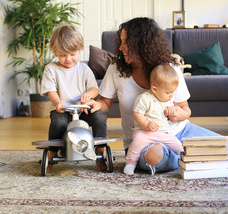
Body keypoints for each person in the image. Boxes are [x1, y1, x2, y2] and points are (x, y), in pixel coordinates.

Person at [85, 17, 220, 175]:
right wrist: (97, 105)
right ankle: (187, 155)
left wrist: (179, 114)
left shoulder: (170, 68)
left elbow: (185, 109)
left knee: (223, 146)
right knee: (154, 157)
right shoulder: (116, 67)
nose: (121, 48)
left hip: (180, 132)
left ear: (142, 44)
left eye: (126, 42)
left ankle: (183, 154)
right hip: (142, 140)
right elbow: (105, 102)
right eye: (120, 41)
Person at [41, 24, 107, 172]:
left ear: (79, 50)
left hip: (83, 110)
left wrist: (89, 94)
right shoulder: (51, 69)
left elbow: (94, 88)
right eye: (63, 55)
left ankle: (100, 151)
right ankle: (52, 153)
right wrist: (58, 103)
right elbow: (51, 90)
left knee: (99, 117)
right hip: (63, 110)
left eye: (72, 54)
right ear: (54, 51)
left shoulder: (83, 68)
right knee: (58, 121)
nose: (68, 59)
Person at [124, 64, 184, 175]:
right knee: (136, 144)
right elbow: (137, 113)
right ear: (154, 89)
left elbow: (170, 111)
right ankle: (130, 164)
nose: (171, 96)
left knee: (178, 146)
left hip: (164, 132)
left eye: (173, 92)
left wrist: (172, 111)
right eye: (168, 92)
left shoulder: (168, 99)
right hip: (145, 132)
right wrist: (147, 123)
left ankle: (186, 160)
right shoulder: (144, 98)